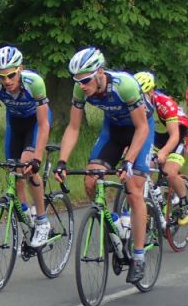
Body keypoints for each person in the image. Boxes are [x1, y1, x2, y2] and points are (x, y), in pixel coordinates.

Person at [55, 47, 155, 283]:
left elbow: (142, 127)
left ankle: (139, 256)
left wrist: (128, 161)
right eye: (77, 81)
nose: (82, 86)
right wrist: (62, 161)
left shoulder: (124, 85)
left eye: (86, 80)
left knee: (133, 188)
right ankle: (114, 225)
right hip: (113, 131)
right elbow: (73, 127)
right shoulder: (80, 89)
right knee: (91, 180)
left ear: (100, 72)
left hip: (140, 130)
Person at [0, 45, 52, 248]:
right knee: (14, 172)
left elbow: (43, 124)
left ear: (20, 69)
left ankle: (42, 222)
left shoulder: (34, 83)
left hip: (35, 123)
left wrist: (37, 157)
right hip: (14, 123)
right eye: (1, 77)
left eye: (11, 75)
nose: (6, 81)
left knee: (27, 165)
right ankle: (26, 217)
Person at [134, 71, 188, 225]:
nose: (139, 99)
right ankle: (153, 201)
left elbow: (174, 136)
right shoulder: (133, 105)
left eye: (142, 95)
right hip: (158, 136)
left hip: (180, 134)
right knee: (142, 167)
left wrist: (164, 152)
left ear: (151, 92)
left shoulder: (165, 104)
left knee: (169, 171)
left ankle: (184, 204)